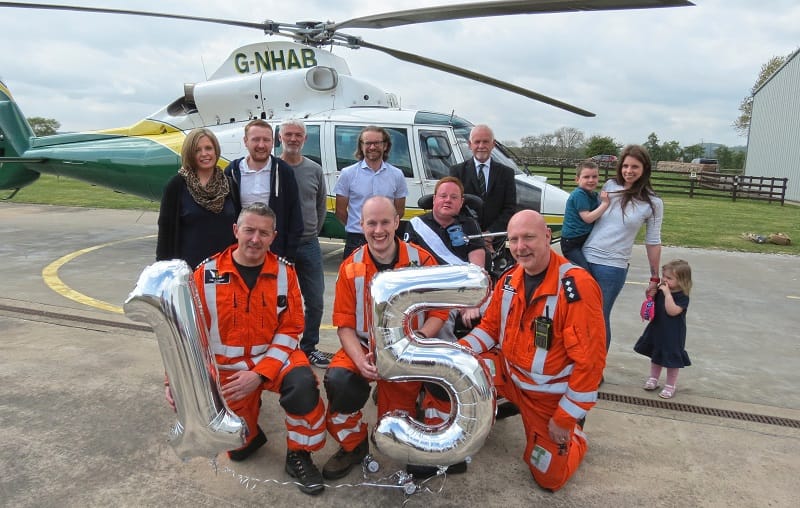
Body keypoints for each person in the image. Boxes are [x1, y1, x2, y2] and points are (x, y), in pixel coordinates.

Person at [165, 203, 327, 496]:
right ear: (235, 231)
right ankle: (250, 431)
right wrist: (174, 382)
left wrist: (260, 374)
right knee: (239, 447)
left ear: (273, 236)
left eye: (263, 233)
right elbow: (185, 333)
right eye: (249, 230)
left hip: (273, 360)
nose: (255, 239)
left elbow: (291, 328)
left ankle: (299, 454)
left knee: (303, 385)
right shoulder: (205, 274)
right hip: (228, 367)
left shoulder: (284, 273)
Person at [459, 209, 606, 492]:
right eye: (513, 240)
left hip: (546, 395)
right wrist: (457, 354)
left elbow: (590, 362)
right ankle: (502, 405)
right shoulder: (511, 280)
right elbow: (489, 329)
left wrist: (565, 417)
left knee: (548, 478)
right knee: (454, 379)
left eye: (528, 237)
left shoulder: (576, 288)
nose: (520, 247)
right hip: (510, 376)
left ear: (548, 237)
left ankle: (575, 435)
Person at [321, 196, 447, 481]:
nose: (379, 230)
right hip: (365, 346)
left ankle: (416, 412)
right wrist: (359, 361)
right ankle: (353, 446)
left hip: (409, 347)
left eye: (385, 222)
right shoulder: (350, 266)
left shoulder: (421, 260)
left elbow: (439, 311)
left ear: (396, 222)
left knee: (395, 435)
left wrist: (417, 340)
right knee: (340, 382)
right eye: (371, 223)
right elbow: (344, 324)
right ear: (361, 225)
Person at [582, 144, 664, 350]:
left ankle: (596, 368)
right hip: (585, 259)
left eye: (635, 167)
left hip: (613, 267)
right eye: (625, 166)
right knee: (578, 316)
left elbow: (653, 241)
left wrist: (655, 277)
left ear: (645, 168)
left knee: (599, 317)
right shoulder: (610, 186)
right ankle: (576, 365)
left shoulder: (652, 203)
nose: (628, 171)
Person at [404, 176, 485, 340]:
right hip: (426, 289)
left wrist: (469, 302)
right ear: (434, 199)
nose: (448, 200)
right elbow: (408, 269)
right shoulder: (416, 225)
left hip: (461, 290)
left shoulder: (470, 225)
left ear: (461, 202)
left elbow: (477, 271)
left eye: (454, 197)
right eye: (443, 196)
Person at [278, 119, 330, 368]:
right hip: (278, 245)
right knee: (278, 301)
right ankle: (278, 349)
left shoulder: (314, 169)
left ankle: (308, 346)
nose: (293, 139)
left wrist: (312, 230)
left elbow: (320, 204)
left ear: (305, 139)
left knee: (315, 300)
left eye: (298, 135)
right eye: (288, 134)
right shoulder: (273, 168)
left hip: (308, 243)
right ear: (280, 138)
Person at [225, 119, 303, 261]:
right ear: (245, 141)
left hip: (274, 253)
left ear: (272, 142)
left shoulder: (284, 171)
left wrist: (288, 255)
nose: (261, 145)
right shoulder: (232, 172)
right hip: (240, 252)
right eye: (255, 140)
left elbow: (295, 215)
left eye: (266, 140)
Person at [156, 128, 236, 268]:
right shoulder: (177, 186)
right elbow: (165, 234)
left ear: (216, 150)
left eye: (208, 148)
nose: (204, 154)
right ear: (189, 154)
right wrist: (163, 271)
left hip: (225, 270)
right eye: (197, 150)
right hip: (189, 271)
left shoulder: (230, 185)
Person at [333, 126, 408, 259]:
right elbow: (340, 212)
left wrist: (381, 227)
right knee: (353, 279)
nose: (372, 147)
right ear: (361, 146)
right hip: (356, 240)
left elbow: (399, 211)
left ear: (385, 146)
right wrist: (361, 226)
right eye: (368, 143)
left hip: (385, 239)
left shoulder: (397, 175)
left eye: (377, 143)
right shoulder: (348, 174)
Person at [449, 124, 516, 252]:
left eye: (485, 142)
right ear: (470, 144)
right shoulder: (457, 172)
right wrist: (477, 235)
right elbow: (454, 208)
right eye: (477, 142)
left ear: (493, 144)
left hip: (496, 241)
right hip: (466, 238)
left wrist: (490, 234)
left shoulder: (506, 173)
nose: (481, 146)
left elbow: (510, 208)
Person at [634, 259, 692, 399]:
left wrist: (667, 294)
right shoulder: (662, 289)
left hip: (673, 333)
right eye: (664, 276)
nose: (664, 280)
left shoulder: (682, 296)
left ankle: (670, 385)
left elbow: (672, 311)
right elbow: (651, 301)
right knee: (656, 355)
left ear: (682, 280)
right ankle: (654, 378)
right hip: (657, 328)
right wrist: (651, 293)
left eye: (669, 278)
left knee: (671, 359)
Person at [559, 160, 610, 269]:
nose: (591, 180)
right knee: (583, 271)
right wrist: (605, 204)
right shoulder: (579, 194)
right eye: (586, 177)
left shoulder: (592, 194)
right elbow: (587, 218)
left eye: (594, 177)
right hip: (572, 243)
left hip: (584, 239)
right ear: (577, 180)